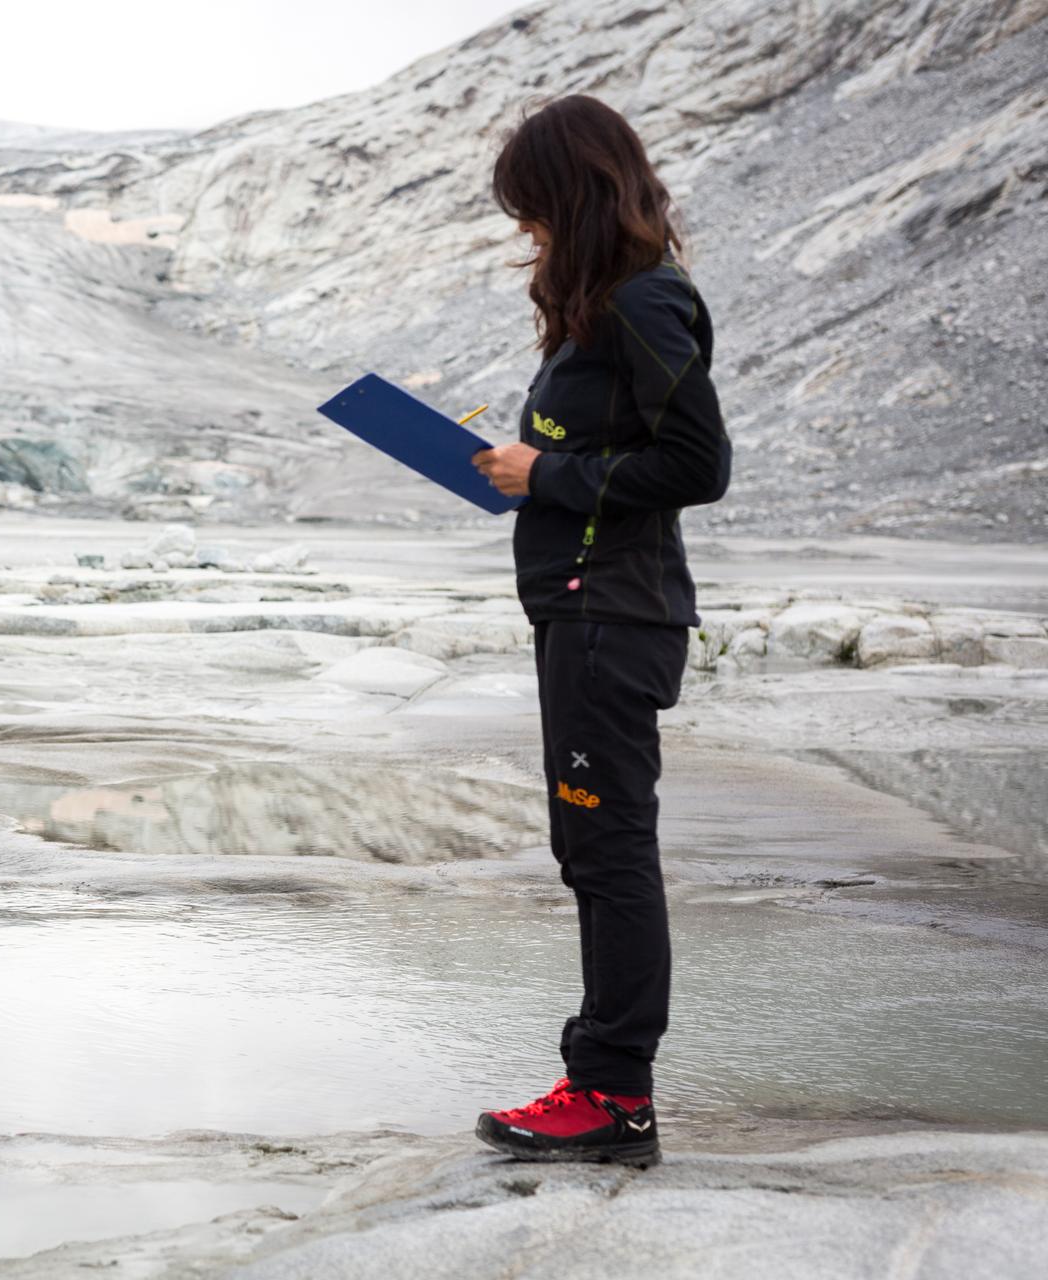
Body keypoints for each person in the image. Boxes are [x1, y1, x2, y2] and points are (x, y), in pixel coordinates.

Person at [469, 95, 731, 1167]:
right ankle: (605, 1083)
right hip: (585, 608)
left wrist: (552, 472)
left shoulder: (642, 301)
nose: (525, 230)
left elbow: (699, 465)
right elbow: (621, 450)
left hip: (609, 614)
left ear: (569, 195)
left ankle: (614, 1093)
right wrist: (524, 468)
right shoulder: (604, 305)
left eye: (531, 209)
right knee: (595, 846)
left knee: (610, 849)